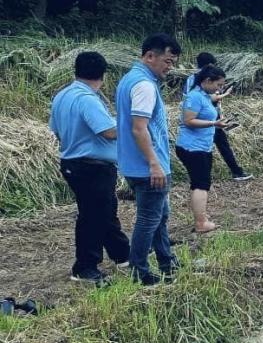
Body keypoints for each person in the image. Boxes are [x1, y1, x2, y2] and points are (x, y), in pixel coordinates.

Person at [50, 51, 130, 283]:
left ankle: (122, 253)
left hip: (73, 163)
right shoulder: (87, 99)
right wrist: (132, 124)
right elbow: (108, 131)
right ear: (103, 74)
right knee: (92, 216)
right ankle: (84, 267)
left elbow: (55, 130)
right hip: (91, 166)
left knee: (104, 210)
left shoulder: (62, 95)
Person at [117, 33, 182, 285]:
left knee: (160, 215)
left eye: (173, 62)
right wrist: (154, 163)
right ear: (150, 56)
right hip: (147, 167)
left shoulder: (129, 80)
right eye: (167, 61)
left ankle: (167, 260)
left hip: (135, 164)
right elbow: (139, 128)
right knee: (148, 219)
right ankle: (140, 271)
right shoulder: (143, 85)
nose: (170, 67)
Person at [176, 65, 228, 233]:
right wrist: (214, 123)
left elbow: (211, 99)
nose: (219, 89)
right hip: (193, 148)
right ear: (207, 81)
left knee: (201, 182)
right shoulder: (194, 97)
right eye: (218, 85)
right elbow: (188, 120)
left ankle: (201, 217)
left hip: (201, 146)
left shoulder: (203, 95)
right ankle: (201, 223)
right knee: (201, 184)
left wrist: (221, 96)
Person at [185, 52, 251, 182]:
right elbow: (208, 99)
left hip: (202, 118)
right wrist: (224, 94)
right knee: (219, 145)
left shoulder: (190, 79)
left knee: (213, 145)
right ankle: (235, 172)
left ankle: (202, 174)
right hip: (206, 119)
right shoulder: (204, 80)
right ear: (209, 65)